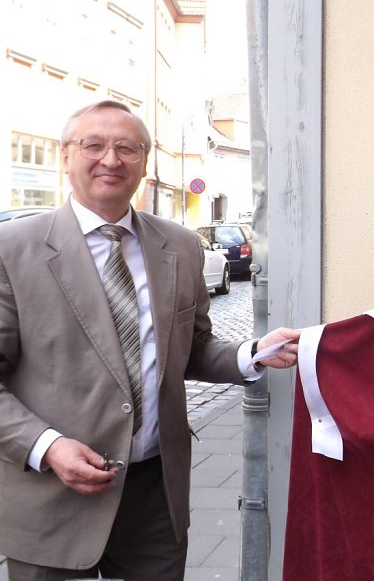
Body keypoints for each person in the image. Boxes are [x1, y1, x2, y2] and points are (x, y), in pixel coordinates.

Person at [0, 100, 299, 581]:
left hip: (154, 494)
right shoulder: (12, 249)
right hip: (52, 494)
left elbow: (193, 346)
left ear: (145, 160)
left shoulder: (179, 245)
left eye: (128, 148)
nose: (111, 160)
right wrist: (47, 446)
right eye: (93, 145)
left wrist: (252, 353)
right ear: (65, 156)